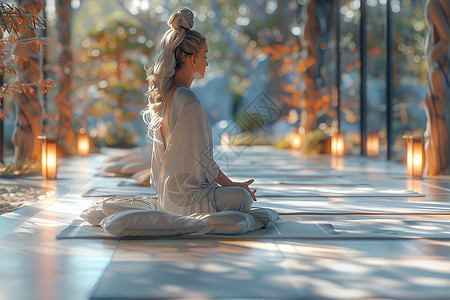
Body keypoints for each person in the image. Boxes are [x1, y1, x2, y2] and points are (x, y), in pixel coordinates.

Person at [142, 7, 257, 216]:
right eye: (204, 56)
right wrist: (232, 185)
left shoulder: (168, 95)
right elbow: (203, 160)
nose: (206, 63)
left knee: (238, 195)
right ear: (191, 59)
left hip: (168, 196)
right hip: (186, 200)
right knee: (242, 198)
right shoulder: (187, 98)